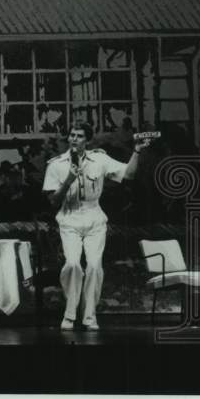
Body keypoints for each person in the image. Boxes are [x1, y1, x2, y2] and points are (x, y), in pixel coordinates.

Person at [42, 121, 151, 331]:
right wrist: (68, 180)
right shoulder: (56, 164)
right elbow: (53, 202)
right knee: (73, 264)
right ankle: (70, 314)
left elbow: (128, 175)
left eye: (79, 135)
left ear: (88, 140)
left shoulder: (99, 159)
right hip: (69, 219)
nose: (74, 139)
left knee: (93, 266)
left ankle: (89, 316)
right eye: (72, 135)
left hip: (95, 218)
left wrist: (137, 151)